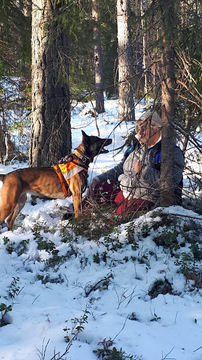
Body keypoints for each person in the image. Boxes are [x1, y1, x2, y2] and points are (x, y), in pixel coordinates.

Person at [83, 110, 184, 219]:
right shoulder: (136, 146)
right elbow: (121, 168)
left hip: (147, 198)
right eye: (139, 128)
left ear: (156, 129)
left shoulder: (169, 151)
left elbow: (171, 183)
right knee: (97, 189)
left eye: (144, 128)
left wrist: (144, 170)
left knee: (116, 220)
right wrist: (98, 179)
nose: (140, 132)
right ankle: (78, 215)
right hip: (126, 190)